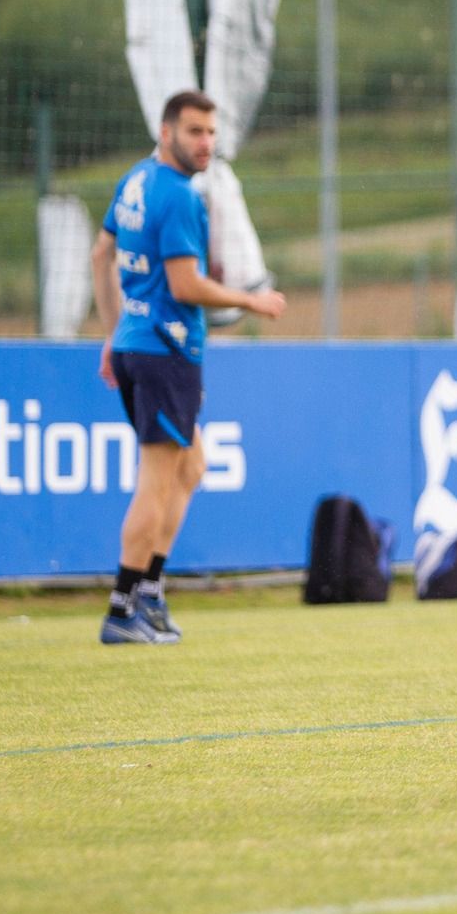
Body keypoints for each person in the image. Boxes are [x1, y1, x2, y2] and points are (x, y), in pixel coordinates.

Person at [90, 90, 287, 644]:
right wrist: (253, 300)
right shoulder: (178, 196)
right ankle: (122, 607)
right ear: (166, 131)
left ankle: (148, 591)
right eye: (194, 131)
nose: (205, 143)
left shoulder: (134, 181)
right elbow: (184, 285)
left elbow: (101, 255)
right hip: (165, 349)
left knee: (191, 465)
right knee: (156, 480)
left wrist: (113, 332)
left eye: (210, 133)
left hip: (137, 343)